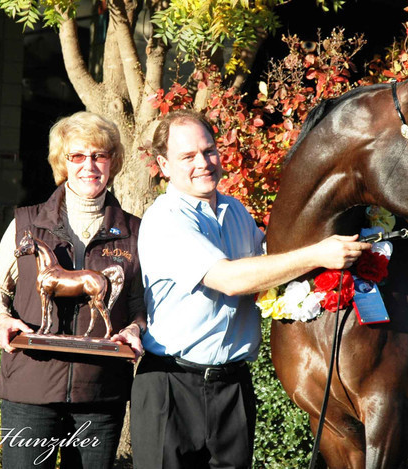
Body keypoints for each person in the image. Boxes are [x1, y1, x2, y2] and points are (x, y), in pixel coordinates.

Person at [131, 109, 370, 468]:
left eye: (209, 150)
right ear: (163, 165)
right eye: (188, 156)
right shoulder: (165, 218)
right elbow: (231, 279)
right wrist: (320, 253)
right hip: (171, 386)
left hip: (233, 389)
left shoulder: (236, 210)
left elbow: (273, 267)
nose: (203, 163)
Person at [0, 111, 146, 469]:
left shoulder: (136, 231)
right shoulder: (26, 223)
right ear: (62, 162)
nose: (90, 165)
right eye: (78, 156)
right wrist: (1, 318)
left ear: (112, 162)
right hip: (30, 389)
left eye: (100, 155)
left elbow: (139, 304)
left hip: (100, 395)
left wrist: (135, 327)